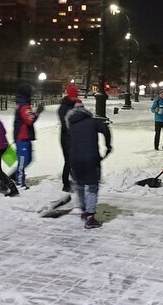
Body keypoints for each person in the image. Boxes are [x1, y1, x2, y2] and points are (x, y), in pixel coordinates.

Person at [66, 100, 112, 229]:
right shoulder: (92, 122)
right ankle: (90, 217)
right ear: (85, 111)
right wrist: (107, 145)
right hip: (91, 159)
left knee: (79, 185)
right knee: (92, 187)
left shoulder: (71, 125)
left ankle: (84, 209)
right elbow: (106, 129)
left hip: (75, 159)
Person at [12, 83, 44, 190]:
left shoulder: (21, 103)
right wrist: (38, 112)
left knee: (29, 159)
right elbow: (30, 120)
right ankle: (20, 182)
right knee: (23, 160)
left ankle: (15, 176)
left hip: (23, 137)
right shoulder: (24, 105)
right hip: (22, 137)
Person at [57, 84, 79, 193]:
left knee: (74, 159)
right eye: (74, 96)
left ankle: (74, 177)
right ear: (70, 96)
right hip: (66, 137)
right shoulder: (64, 108)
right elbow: (66, 124)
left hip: (73, 136)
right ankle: (65, 184)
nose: (76, 98)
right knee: (68, 160)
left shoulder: (75, 104)